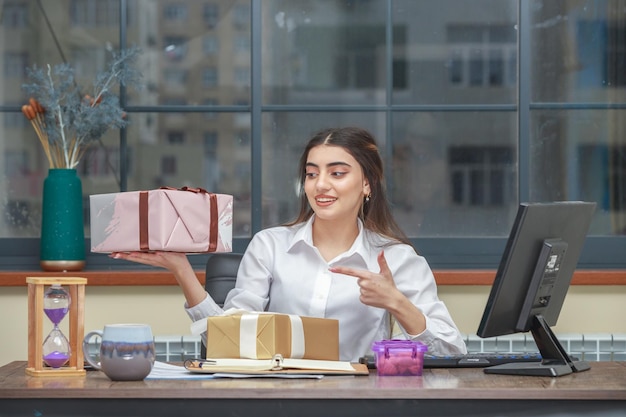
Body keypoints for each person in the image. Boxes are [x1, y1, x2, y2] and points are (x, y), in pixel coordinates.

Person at [111, 126, 467, 362]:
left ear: (367, 184)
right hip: (276, 400)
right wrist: (182, 270)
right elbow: (225, 342)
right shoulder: (270, 246)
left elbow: (452, 353)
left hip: (359, 402)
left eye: (337, 173)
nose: (320, 185)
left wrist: (399, 304)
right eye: (312, 174)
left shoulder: (398, 259)